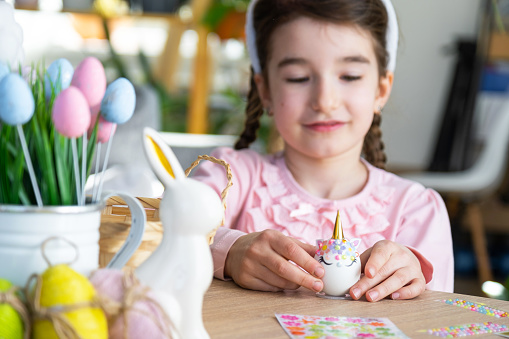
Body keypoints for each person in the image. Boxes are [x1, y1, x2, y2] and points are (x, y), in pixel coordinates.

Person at [192, 0, 454, 301]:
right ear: (265, 89)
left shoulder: (417, 210)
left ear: (381, 89)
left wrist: (412, 275)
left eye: (350, 76)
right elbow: (160, 232)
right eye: (298, 78)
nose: (325, 100)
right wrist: (229, 251)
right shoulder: (229, 176)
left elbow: (439, 321)